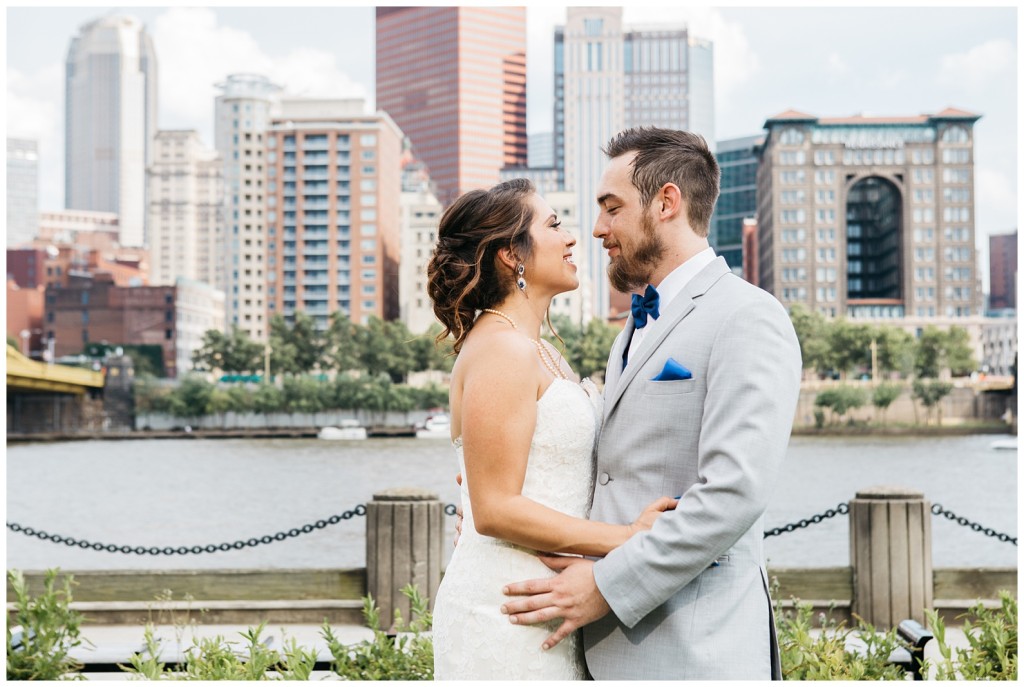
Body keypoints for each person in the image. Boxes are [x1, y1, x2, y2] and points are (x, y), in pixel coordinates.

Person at [499, 127, 803, 680]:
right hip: (599, 651)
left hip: (695, 652)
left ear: (666, 202)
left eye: (611, 209)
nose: (596, 229)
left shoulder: (747, 317)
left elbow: (733, 494)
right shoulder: (632, 328)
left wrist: (608, 588)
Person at [426, 178, 676, 680]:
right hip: (508, 608)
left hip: (549, 601)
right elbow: (495, 508)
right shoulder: (502, 348)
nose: (571, 239)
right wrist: (625, 538)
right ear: (509, 255)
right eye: (553, 224)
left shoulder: (536, 348)